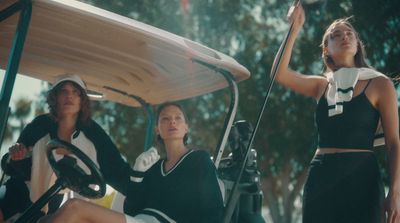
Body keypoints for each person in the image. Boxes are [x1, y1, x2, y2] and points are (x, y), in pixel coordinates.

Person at [273, 2, 400, 223]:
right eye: (335, 35)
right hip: (320, 179)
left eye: (350, 33)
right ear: (326, 50)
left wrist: (396, 193)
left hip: (362, 179)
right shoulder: (321, 85)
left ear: (358, 44)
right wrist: (293, 29)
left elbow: (394, 144)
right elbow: (279, 73)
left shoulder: (380, 84)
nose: (345, 36)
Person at [38, 102, 224, 223]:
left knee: (74, 207)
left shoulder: (198, 160)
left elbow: (213, 211)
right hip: (141, 220)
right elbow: (133, 209)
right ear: (157, 129)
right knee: (47, 220)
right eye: (165, 119)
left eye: (178, 118)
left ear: (186, 128)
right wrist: (137, 176)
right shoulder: (154, 168)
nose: (172, 122)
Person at [0, 74, 131, 221]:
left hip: (53, 201)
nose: (70, 96)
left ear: (82, 100)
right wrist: (16, 157)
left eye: (76, 92)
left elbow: (117, 170)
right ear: (54, 98)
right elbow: (13, 163)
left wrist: (141, 192)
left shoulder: (94, 134)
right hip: (20, 190)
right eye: (64, 91)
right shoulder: (39, 125)